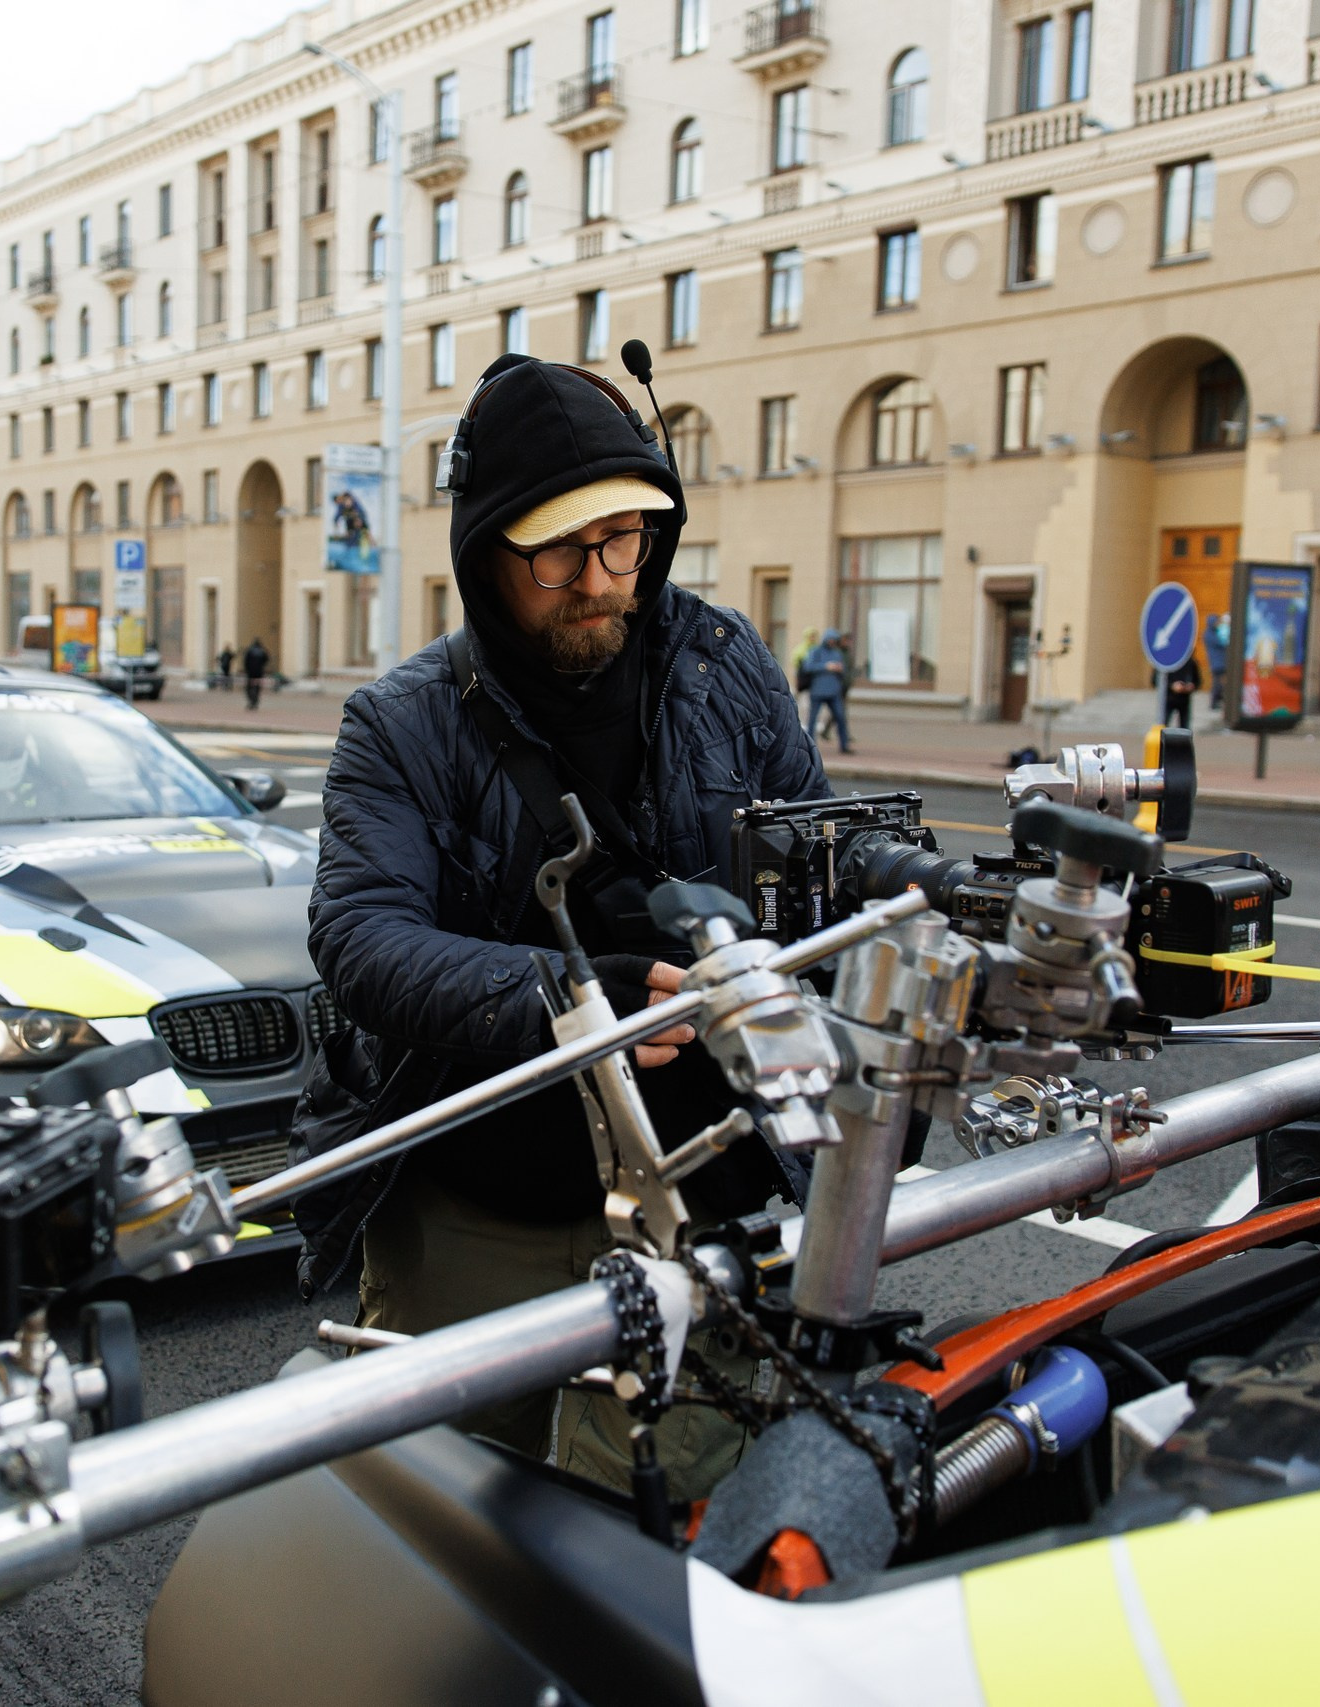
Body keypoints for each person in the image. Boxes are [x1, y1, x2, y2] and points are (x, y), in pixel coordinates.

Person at [303, 353, 828, 1501]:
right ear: (484, 557)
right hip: (474, 1212)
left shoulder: (728, 666)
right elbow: (359, 937)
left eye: (623, 539)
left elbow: (817, 857)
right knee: (428, 1526)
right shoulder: (400, 723)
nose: (596, 579)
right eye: (555, 552)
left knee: (659, 1545)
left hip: (703, 1201)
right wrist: (567, 1004)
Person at [802, 628, 853, 752]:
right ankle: (810, 746)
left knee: (840, 717)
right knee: (813, 719)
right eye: (830, 639)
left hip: (834, 691)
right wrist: (826, 666)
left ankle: (844, 745)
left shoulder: (837, 653)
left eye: (834, 640)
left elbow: (844, 672)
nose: (831, 642)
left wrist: (840, 669)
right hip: (818, 690)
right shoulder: (815, 651)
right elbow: (808, 667)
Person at [1162, 655, 1202, 730]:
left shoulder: (1190, 662)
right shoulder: (1166, 661)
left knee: (1184, 728)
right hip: (1169, 698)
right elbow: (1156, 680)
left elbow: (1198, 681)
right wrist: (1172, 685)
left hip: (1184, 699)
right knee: (1163, 724)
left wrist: (1191, 686)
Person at [1202, 612, 1230, 713]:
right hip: (1217, 662)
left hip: (1220, 661)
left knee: (1220, 682)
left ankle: (1218, 700)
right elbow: (1221, 643)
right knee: (1217, 683)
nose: (1218, 623)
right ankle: (1214, 702)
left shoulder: (1213, 632)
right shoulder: (1209, 634)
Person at [241, 636, 272, 710]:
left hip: (251, 672)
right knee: (257, 686)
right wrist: (261, 666)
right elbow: (267, 659)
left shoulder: (249, 650)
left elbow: (245, 661)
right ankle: (256, 699)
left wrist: (246, 669)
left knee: (249, 687)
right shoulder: (262, 651)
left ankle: (251, 700)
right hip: (259, 672)